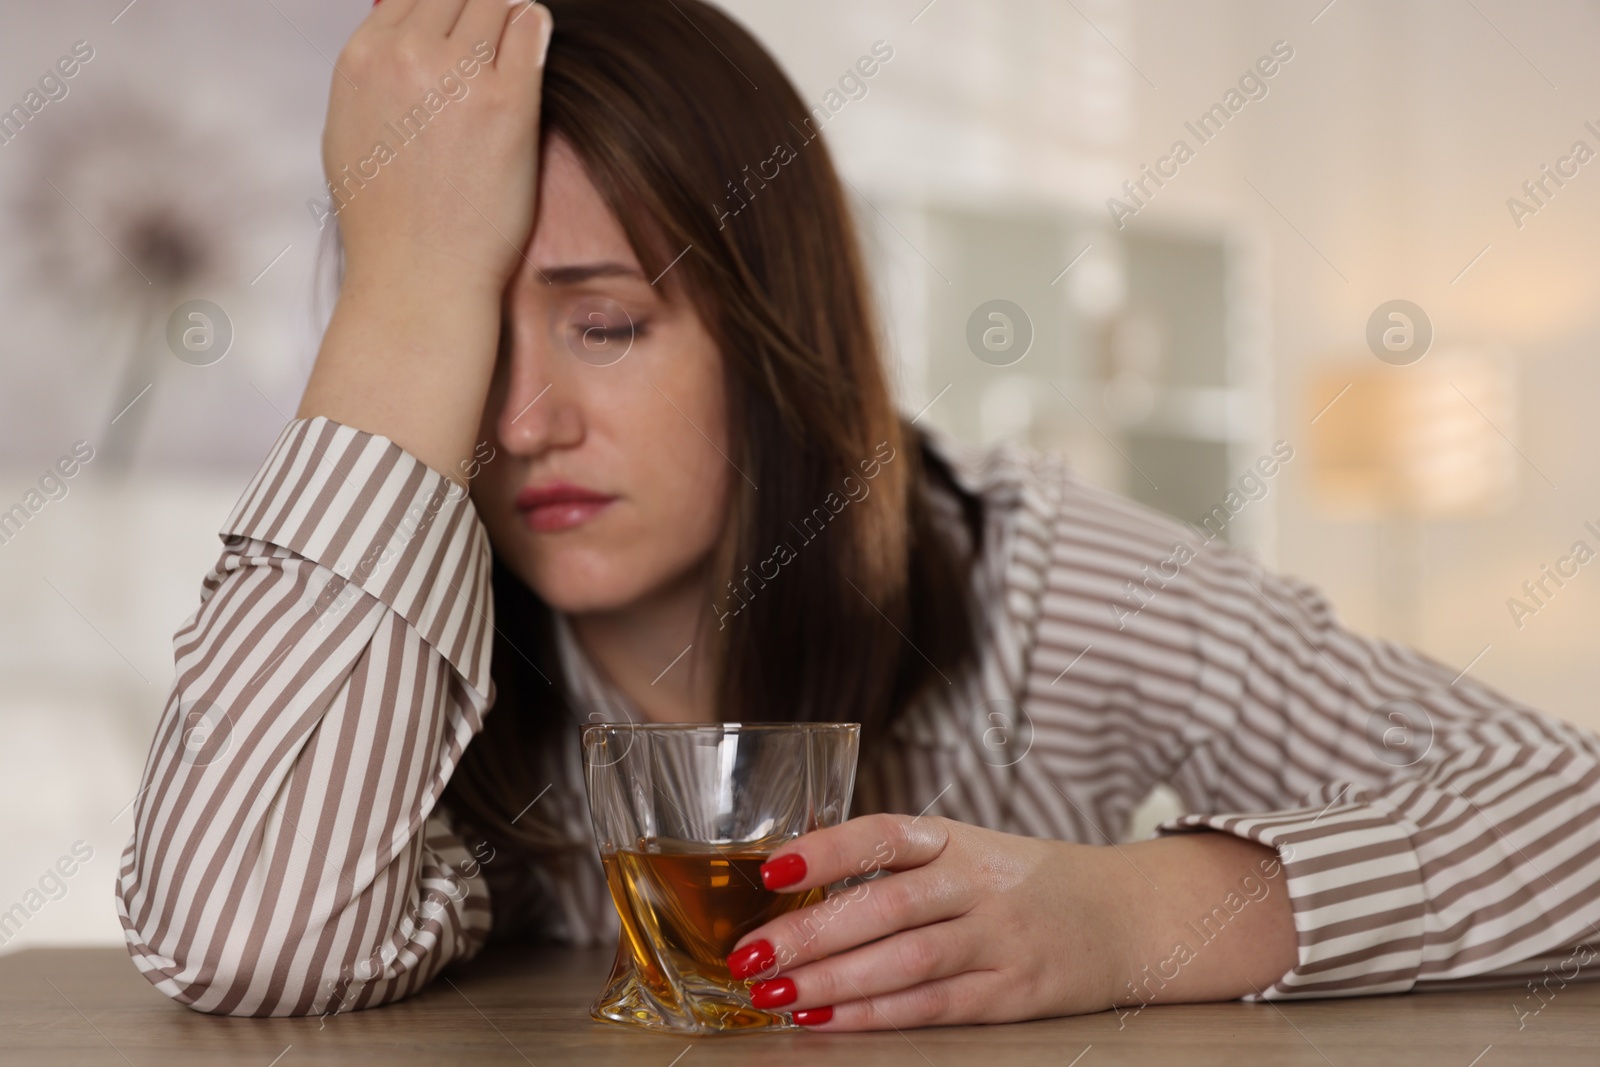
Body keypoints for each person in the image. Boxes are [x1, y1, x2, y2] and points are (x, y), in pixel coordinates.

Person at [116, 0, 1600, 1028]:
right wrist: (400, 287)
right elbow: (243, 933)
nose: (519, 425)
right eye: (460, 344)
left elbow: (1570, 814)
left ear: (770, 328)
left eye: (610, 324)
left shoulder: (1039, 572)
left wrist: (1139, 920)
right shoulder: (398, 670)